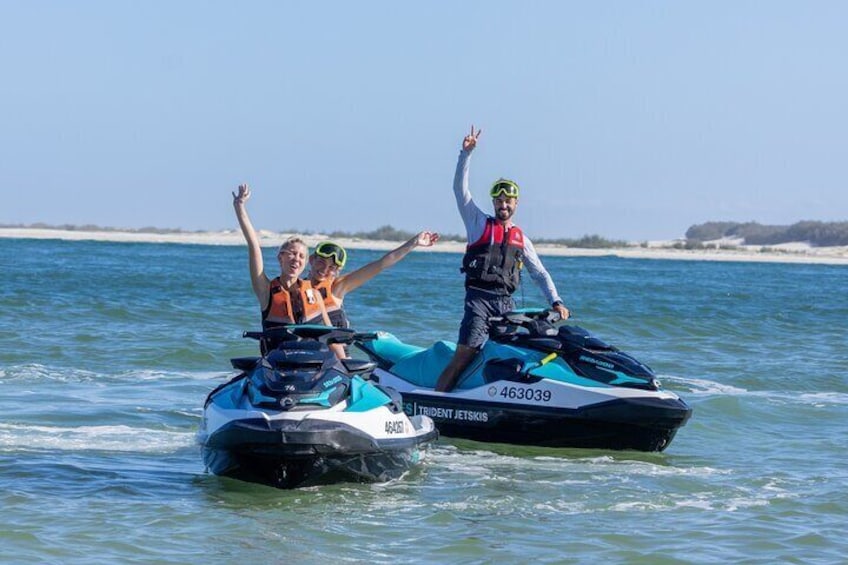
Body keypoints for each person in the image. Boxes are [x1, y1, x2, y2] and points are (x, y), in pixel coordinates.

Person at [434, 126, 571, 392]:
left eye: (508, 201)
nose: (503, 205)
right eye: (499, 201)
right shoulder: (477, 223)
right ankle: (437, 400)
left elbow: (539, 273)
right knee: (466, 353)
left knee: (510, 355)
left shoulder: (522, 239)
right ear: (494, 202)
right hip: (479, 301)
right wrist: (466, 154)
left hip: (506, 305)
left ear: (516, 204)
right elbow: (459, 190)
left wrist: (556, 301)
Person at [232, 184, 333, 333]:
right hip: (278, 354)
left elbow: (331, 336)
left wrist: (343, 357)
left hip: (312, 355)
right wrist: (239, 206)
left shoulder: (315, 295)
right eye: (292, 253)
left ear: (305, 264)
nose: (296, 259)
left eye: (301, 256)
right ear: (281, 258)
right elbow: (254, 246)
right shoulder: (265, 290)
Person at [303, 233, 441, 328]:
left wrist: (413, 243)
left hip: (336, 357)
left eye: (332, 267)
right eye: (321, 262)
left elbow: (381, 264)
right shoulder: (297, 288)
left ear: (337, 271)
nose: (325, 269)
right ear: (311, 260)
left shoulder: (337, 288)